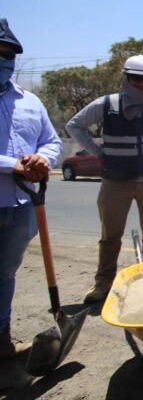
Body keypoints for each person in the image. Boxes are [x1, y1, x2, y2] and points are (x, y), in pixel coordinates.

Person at [66, 54, 143, 303]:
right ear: (126, 78)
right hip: (116, 182)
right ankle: (103, 284)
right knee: (110, 236)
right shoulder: (106, 104)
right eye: (137, 79)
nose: (142, 85)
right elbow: (74, 125)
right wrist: (99, 152)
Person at [0, 19, 62, 359]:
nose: (4, 61)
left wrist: (42, 158)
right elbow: (14, 162)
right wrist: (13, 165)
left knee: (5, 275)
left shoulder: (29, 101)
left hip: (21, 205)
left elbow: (51, 142)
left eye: (9, 55)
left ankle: (2, 341)